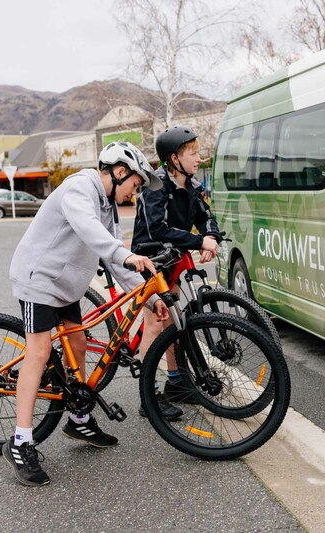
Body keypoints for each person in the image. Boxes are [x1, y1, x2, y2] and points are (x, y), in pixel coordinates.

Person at [4, 141, 163, 487]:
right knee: (40, 352)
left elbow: (115, 261)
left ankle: (78, 418)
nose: (135, 194)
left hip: (65, 287)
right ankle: (20, 442)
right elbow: (92, 233)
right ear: (120, 172)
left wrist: (150, 299)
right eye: (135, 185)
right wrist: (126, 254)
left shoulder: (108, 206)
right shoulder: (80, 188)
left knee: (77, 344)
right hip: (39, 280)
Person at [131, 126, 221, 420]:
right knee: (155, 325)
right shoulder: (155, 186)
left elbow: (205, 217)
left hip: (172, 261)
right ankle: (148, 396)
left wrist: (212, 238)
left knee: (174, 323)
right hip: (148, 262)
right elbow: (157, 230)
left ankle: (176, 382)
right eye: (192, 152)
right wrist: (198, 241)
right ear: (174, 158)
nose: (198, 157)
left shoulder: (192, 185)